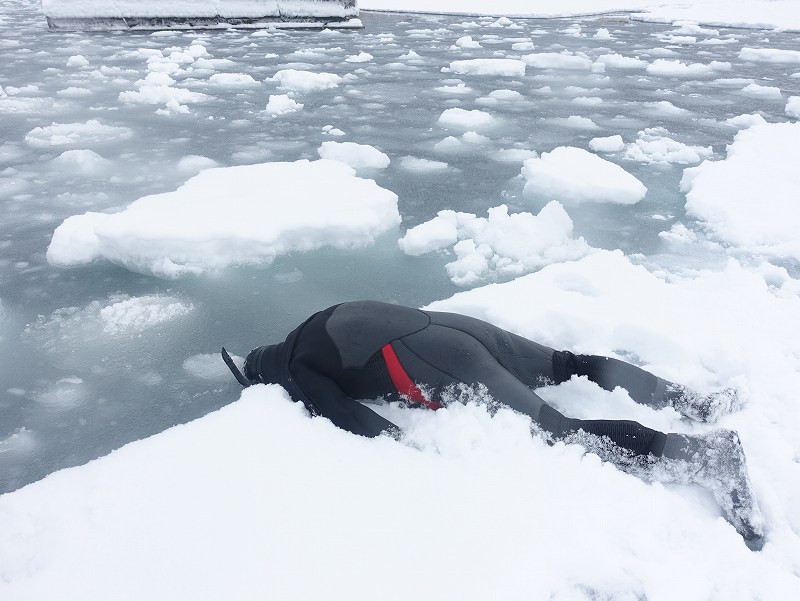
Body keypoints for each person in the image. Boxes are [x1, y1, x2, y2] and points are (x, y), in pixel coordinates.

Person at [223, 300, 764, 548]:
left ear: (262, 376)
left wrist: (398, 446)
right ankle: (696, 404)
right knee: (565, 363)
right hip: (447, 326)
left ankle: (707, 456)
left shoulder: (293, 370)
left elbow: (347, 415)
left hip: (440, 356)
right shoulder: (307, 326)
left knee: (559, 428)